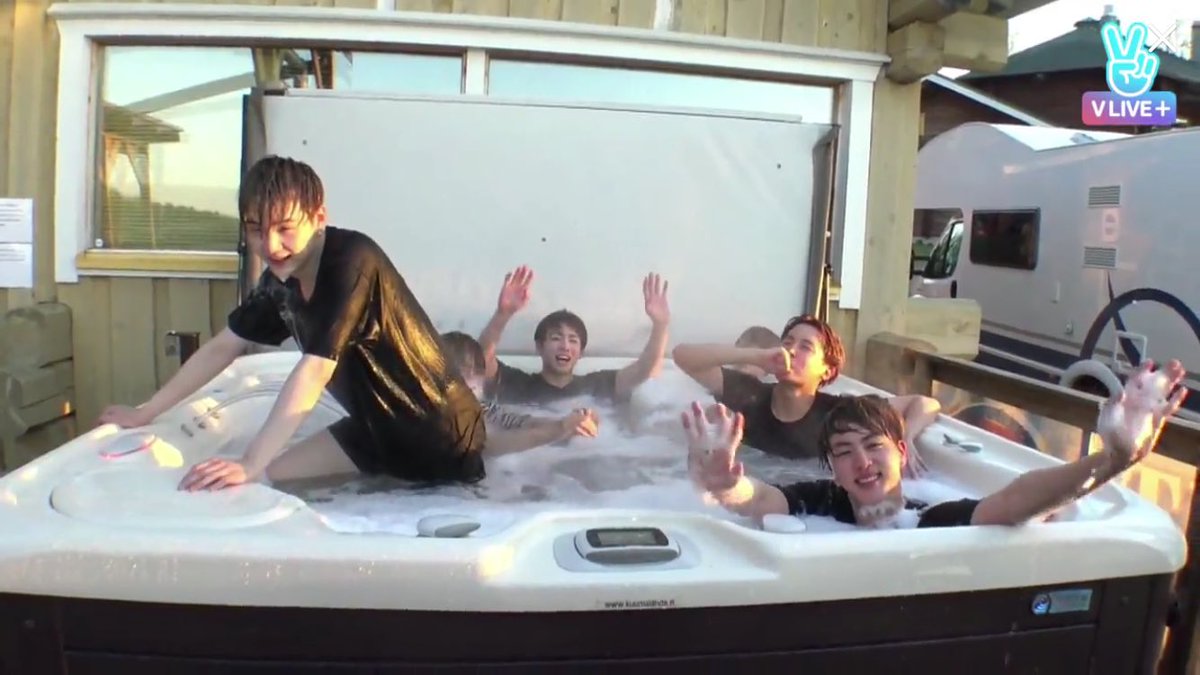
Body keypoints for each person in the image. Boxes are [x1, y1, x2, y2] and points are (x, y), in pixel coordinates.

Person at [96, 155, 487, 491]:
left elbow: (315, 370)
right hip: (374, 431)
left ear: (319, 218)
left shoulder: (353, 261)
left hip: (443, 438)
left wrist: (249, 461)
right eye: (256, 229)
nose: (270, 246)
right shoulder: (281, 283)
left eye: (284, 228)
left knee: (256, 472)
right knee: (265, 481)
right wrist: (146, 413)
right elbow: (223, 347)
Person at [683, 358, 1189, 529]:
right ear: (831, 468)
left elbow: (1015, 500)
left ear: (902, 452)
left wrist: (1113, 459)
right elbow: (760, 499)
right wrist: (725, 484)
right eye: (844, 453)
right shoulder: (823, 502)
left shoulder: (928, 518)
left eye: (873, 446)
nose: (861, 462)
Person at [672, 314, 941, 477]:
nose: (791, 351)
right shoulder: (750, 396)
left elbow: (925, 404)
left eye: (806, 347)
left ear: (827, 370)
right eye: (787, 343)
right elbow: (683, 357)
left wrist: (906, 436)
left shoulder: (840, 414)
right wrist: (757, 356)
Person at [476, 265, 671, 406]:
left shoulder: (598, 386)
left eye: (573, 340)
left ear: (581, 353)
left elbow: (645, 369)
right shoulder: (518, 384)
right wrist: (503, 314)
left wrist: (660, 325)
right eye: (556, 338)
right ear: (539, 347)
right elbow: (481, 358)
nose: (565, 346)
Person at [440, 331, 600, 455]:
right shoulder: (434, 419)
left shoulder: (484, 409)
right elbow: (484, 446)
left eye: (477, 372)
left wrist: (572, 423)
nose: (472, 383)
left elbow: (523, 422)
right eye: (462, 373)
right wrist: (558, 429)